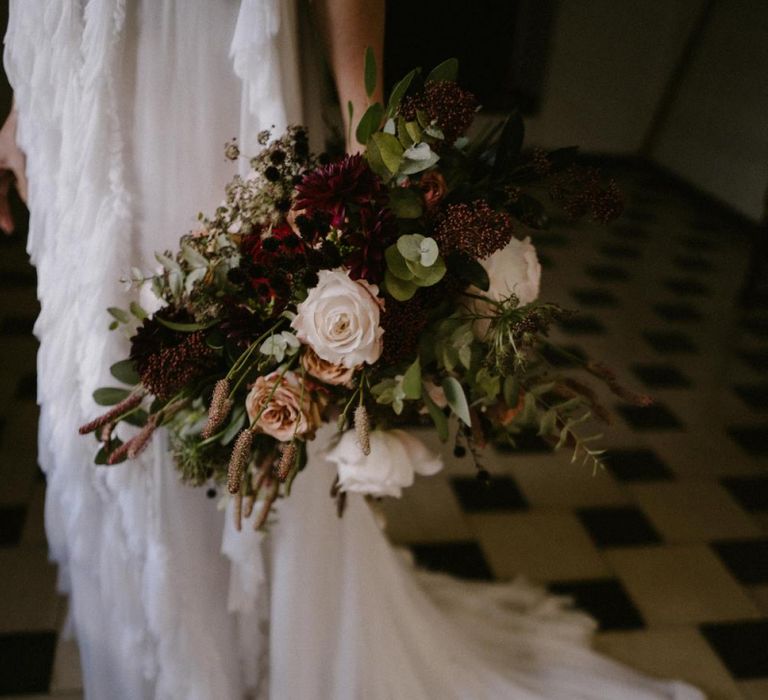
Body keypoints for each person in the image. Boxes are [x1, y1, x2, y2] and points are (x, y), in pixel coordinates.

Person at [4, 2, 705, 698]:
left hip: (193, 68)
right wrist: (22, 100)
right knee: (104, 362)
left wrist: (366, 126)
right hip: (68, 77)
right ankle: (149, 659)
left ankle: (252, 657)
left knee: (227, 341)